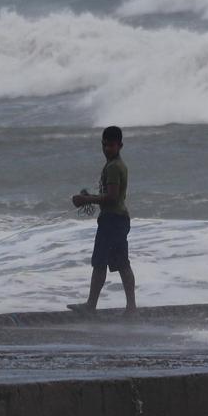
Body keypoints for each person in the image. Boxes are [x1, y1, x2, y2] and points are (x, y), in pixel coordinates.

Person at [70, 126, 136, 314]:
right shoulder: (115, 165)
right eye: (105, 145)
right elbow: (109, 195)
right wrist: (91, 196)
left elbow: (112, 197)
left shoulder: (114, 167)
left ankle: (91, 306)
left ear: (120, 145)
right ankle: (131, 307)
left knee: (101, 263)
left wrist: (86, 199)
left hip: (112, 221)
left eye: (112, 145)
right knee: (121, 263)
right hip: (118, 219)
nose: (108, 149)